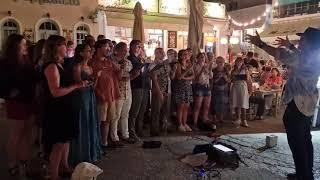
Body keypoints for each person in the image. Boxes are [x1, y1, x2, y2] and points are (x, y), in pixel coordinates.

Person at [246, 28, 320, 180]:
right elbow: (297, 55)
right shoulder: (314, 56)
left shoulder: (303, 59)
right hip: (308, 104)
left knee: (297, 142)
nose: (300, 41)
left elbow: (281, 54)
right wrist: (291, 46)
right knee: (305, 140)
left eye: (303, 39)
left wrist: (259, 43)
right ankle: (305, 173)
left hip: (298, 105)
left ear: (309, 42)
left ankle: (304, 176)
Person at [42, 35, 87, 180]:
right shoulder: (51, 66)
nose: (66, 47)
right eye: (63, 45)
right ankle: (53, 174)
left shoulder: (62, 63)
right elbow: (55, 91)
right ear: (55, 48)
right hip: (57, 110)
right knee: (58, 143)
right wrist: (75, 86)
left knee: (66, 140)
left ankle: (64, 166)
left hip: (67, 108)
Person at [0, 34, 37, 177]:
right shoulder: (5, 63)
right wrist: (10, 93)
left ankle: (23, 162)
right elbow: (3, 85)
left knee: (27, 135)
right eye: (23, 44)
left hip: (30, 101)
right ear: (15, 46)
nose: (26, 46)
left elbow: (33, 77)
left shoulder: (26, 61)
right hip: (16, 103)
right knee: (16, 135)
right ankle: (11, 163)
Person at [69, 44, 103, 166]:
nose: (91, 52)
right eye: (88, 51)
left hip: (90, 96)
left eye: (90, 50)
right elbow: (79, 86)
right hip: (81, 97)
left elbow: (93, 86)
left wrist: (96, 77)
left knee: (91, 122)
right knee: (82, 122)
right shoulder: (77, 67)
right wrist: (90, 81)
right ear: (81, 53)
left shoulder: (89, 68)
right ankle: (80, 153)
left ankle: (91, 151)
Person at [91, 39, 121, 149]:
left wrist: (119, 68)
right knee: (98, 121)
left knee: (108, 121)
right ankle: (96, 145)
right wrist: (99, 94)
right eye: (106, 46)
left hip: (111, 95)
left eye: (110, 46)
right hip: (101, 96)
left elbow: (119, 76)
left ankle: (104, 143)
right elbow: (92, 82)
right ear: (99, 48)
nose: (109, 49)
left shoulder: (109, 61)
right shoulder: (93, 62)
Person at [112, 42, 135, 144]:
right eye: (124, 50)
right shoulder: (112, 61)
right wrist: (123, 74)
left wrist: (130, 75)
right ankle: (114, 136)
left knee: (125, 114)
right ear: (118, 50)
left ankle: (125, 134)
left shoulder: (128, 62)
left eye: (126, 50)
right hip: (118, 91)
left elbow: (128, 74)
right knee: (116, 115)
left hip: (127, 90)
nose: (126, 51)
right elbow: (117, 77)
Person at [128, 40, 150, 140]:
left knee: (142, 110)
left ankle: (139, 129)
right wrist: (142, 63)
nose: (140, 49)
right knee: (134, 111)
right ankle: (131, 131)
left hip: (144, 86)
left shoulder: (139, 58)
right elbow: (133, 72)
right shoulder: (130, 59)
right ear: (132, 47)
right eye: (138, 46)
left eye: (141, 47)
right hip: (136, 86)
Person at [149, 48, 172, 136]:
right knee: (156, 111)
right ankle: (154, 130)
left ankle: (164, 128)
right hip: (158, 90)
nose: (162, 54)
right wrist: (159, 92)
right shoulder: (154, 64)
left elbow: (169, 75)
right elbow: (154, 78)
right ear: (156, 54)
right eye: (160, 53)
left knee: (165, 111)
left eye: (163, 52)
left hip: (167, 89)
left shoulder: (165, 64)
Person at [175, 49, 194, 132]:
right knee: (180, 106)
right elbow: (179, 77)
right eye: (184, 54)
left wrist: (185, 78)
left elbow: (193, 76)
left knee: (187, 106)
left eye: (187, 54)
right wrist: (187, 70)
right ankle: (179, 124)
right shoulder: (178, 65)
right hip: (180, 87)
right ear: (180, 56)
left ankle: (184, 123)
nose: (186, 56)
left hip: (188, 87)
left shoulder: (188, 64)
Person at [192, 52, 213, 130]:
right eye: (200, 57)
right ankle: (195, 123)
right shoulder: (195, 66)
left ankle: (204, 120)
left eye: (203, 57)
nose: (202, 58)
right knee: (197, 106)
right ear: (197, 58)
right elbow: (195, 78)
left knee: (207, 106)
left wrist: (209, 69)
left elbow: (210, 77)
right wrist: (202, 70)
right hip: (199, 86)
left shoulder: (207, 66)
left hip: (206, 86)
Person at [231, 57, 252, 127]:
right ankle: (238, 118)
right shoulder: (233, 70)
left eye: (240, 62)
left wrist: (250, 90)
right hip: (236, 87)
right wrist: (234, 77)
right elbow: (232, 79)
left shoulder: (245, 69)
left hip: (243, 87)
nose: (238, 63)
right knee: (237, 103)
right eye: (237, 61)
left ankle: (244, 120)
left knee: (243, 104)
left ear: (242, 62)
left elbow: (248, 79)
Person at [212, 56, 230, 123]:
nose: (220, 63)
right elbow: (213, 81)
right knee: (215, 102)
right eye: (219, 62)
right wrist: (218, 77)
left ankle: (221, 118)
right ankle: (215, 117)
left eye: (222, 62)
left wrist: (225, 78)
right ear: (216, 62)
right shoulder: (214, 70)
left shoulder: (226, 70)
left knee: (223, 103)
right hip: (216, 88)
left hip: (224, 88)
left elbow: (229, 80)